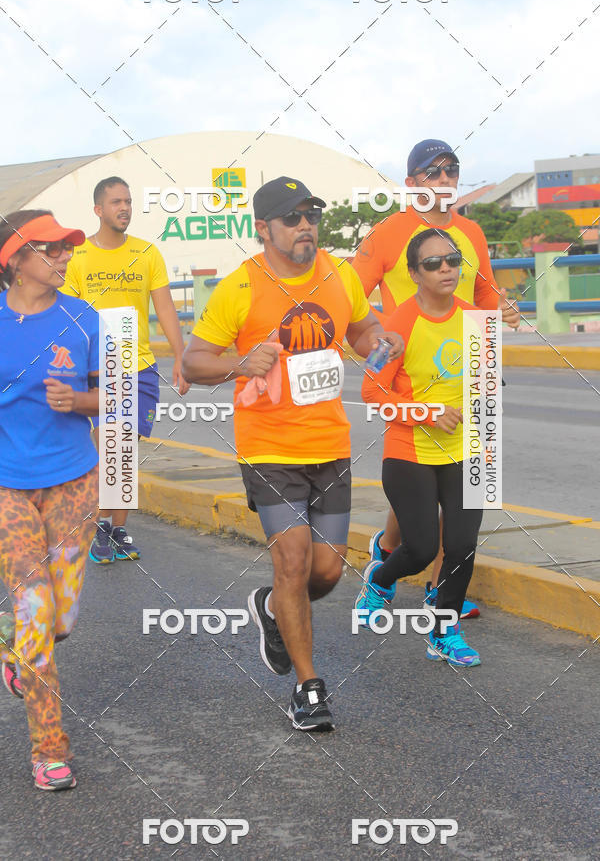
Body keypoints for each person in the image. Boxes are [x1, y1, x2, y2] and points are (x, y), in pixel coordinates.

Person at [182, 176, 403, 731]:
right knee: (294, 561)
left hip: (329, 443)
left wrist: (380, 343)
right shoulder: (240, 287)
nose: (305, 226)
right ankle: (308, 688)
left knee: (326, 572)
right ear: (264, 229)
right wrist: (239, 365)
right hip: (269, 447)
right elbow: (192, 362)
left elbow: (362, 328)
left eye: (312, 215)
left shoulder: (339, 274)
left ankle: (272, 606)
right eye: (292, 217)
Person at [351, 139, 520, 618]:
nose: (444, 180)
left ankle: (441, 597)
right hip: (414, 379)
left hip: (472, 376)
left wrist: (504, 310)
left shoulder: (471, 232)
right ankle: (391, 555)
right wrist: (380, 341)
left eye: (451, 170)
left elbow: (484, 296)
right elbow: (348, 297)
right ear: (411, 183)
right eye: (432, 172)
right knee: (421, 488)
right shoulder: (388, 233)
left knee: (462, 499)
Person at [0, 209, 100, 789]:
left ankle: (14, 650)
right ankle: (49, 748)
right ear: (15, 259)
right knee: (35, 608)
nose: (64, 256)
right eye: (51, 248)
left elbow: (127, 394)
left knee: (59, 619)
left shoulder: (85, 319)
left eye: (67, 248)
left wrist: (81, 402)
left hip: (74, 482)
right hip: (6, 485)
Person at [355, 228, 485, 666]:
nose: (446, 269)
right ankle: (379, 580)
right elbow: (371, 392)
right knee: (423, 549)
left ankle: (443, 632)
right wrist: (426, 412)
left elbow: (485, 387)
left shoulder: (475, 320)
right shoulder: (395, 328)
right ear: (414, 273)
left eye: (452, 260)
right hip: (410, 452)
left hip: (465, 450)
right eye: (433, 263)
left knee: (462, 546)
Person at [61, 176, 189, 564]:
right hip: (98, 368)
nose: (125, 208)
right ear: (98, 209)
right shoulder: (78, 257)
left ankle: (117, 530)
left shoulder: (147, 253)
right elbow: (67, 317)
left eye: (129, 201)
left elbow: (165, 308)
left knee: (125, 452)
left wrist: (181, 356)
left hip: (139, 366)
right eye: (117, 202)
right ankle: (99, 527)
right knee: (109, 447)